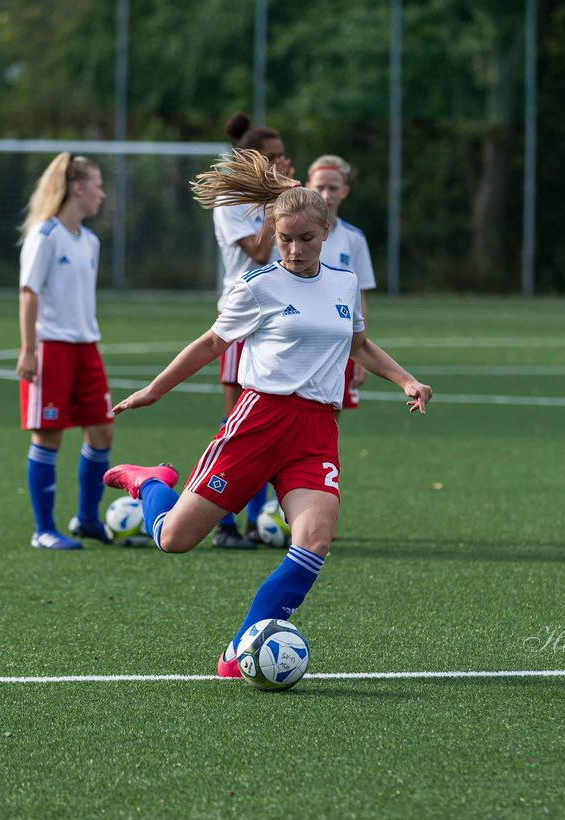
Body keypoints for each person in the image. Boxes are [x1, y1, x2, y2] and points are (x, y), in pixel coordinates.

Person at [102, 149, 434, 678]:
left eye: (306, 238)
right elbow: (210, 343)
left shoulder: (343, 284)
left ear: (327, 232)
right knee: (174, 539)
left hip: (316, 430)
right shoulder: (257, 287)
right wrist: (154, 389)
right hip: (258, 421)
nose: (295, 249)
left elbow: (360, 345)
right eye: (285, 239)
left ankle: (238, 651)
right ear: (273, 233)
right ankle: (150, 483)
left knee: (316, 541)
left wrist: (407, 379)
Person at [15, 153, 115, 550]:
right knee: (49, 436)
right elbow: (28, 293)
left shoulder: (90, 242)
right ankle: (44, 530)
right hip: (50, 348)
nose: (102, 195)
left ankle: (87, 518)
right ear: (77, 189)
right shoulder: (45, 235)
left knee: (103, 429)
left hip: (86, 347)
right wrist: (28, 349)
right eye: (97, 186)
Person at [208, 111, 293, 548]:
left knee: (270, 421)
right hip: (243, 318)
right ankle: (223, 524)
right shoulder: (232, 201)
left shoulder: (271, 198)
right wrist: (278, 206)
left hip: (280, 319)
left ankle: (259, 520)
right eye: (274, 157)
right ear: (255, 162)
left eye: (284, 156)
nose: (285, 164)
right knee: (238, 424)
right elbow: (260, 253)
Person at [306, 154, 377, 412]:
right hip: (300, 334)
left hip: (338, 339)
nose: (326, 194)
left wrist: (360, 353)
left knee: (330, 413)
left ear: (344, 191)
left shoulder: (354, 238)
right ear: (307, 186)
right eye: (319, 187)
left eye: (333, 187)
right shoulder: (293, 235)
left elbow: (359, 296)